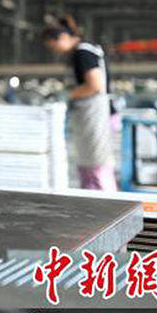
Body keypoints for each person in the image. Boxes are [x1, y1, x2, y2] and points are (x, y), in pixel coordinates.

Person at [43, 16, 117, 191]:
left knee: (98, 167)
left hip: (97, 116)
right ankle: (91, 200)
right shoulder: (80, 52)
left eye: (53, 46)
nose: (54, 51)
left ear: (62, 38)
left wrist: (67, 94)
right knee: (88, 167)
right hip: (89, 115)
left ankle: (109, 203)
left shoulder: (83, 53)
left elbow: (95, 85)